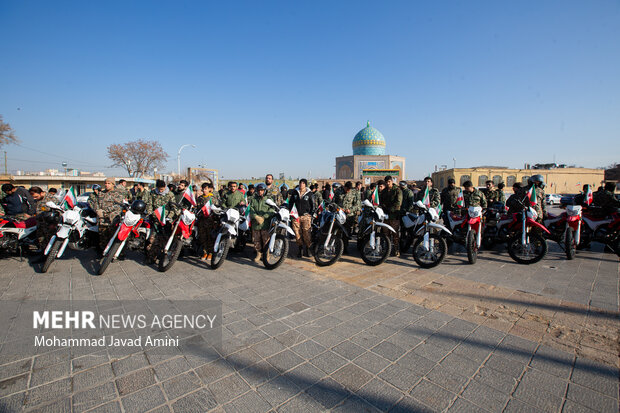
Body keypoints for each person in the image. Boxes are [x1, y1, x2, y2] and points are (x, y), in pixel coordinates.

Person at [145, 180, 179, 264]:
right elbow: (150, 204)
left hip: (166, 220)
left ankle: (163, 257)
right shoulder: (153, 193)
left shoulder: (170, 194)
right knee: (152, 240)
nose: (161, 191)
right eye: (159, 189)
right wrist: (150, 213)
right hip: (155, 219)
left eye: (162, 189)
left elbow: (173, 207)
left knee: (165, 239)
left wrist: (169, 217)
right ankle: (151, 257)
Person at [95, 178, 125, 253]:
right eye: (105, 183)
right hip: (102, 220)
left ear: (113, 184)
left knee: (114, 238)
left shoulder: (117, 194)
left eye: (109, 183)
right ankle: (103, 253)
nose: (107, 185)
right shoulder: (101, 193)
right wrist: (97, 210)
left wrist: (105, 211)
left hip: (112, 219)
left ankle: (115, 254)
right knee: (103, 237)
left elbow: (118, 206)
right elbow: (96, 203)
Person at [288, 179, 315, 258]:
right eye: (300, 183)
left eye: (303, 183)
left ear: (305, 184)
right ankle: (300, 249)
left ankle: (308, 248)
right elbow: (291, 203)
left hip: (306, 216)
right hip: (296, 216)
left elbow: (313, 205)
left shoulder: (309, 194)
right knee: (297, 233)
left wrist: (311, 214)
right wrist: (290, 212)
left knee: (306, 233)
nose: (301, 184)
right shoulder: (295, 193)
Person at [249, 183, 274, 263]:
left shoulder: (268, 200)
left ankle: (266, 254)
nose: (260, 192)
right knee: (256, 240)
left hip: (265, 223)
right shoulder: (253, 199)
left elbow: (272, 210)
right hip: (256, 223)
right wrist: (256, 217)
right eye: (259, 190)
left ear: (265, 191)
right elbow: (251, 209)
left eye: (262, 190)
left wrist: (264, 217)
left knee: (266, 240)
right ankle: (258, 254)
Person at [335, 181, 361, 253]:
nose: (348, 191)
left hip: (349, 216)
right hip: (339, 215)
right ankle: (338, 248)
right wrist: (339, 208)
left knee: (346, 233)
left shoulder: (354, 192)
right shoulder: (338, 191)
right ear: (344, 187)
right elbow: (334, 202)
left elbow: (357, 205)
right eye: (347, 189)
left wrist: (350, 210)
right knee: (338, 232)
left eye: (349, 189)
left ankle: (345, 248)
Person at [380, 176, 402, 256]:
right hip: (386, 216)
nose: (388, 183)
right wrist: (383, 208)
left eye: (389, 181)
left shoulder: (397, 190)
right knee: (386, 234)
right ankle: (387, 250)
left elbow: (398, 203)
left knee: (395, 234)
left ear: (392, 181)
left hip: (394, 216)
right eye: (386, 182)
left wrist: (390, 209)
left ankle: (396, 249)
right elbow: (381, 201)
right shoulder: (384, 191)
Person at [196, 182, 219, 260]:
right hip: (201, 221)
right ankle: (205, 252)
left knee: (210, 237)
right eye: (203, 189)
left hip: (210, 221)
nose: (204, 190)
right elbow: (198, 208)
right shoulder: (200, 198)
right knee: (203, 237)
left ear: (209, 189)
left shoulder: (213, 199)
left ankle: (211, 253)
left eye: (206, 189)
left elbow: (217, 209)